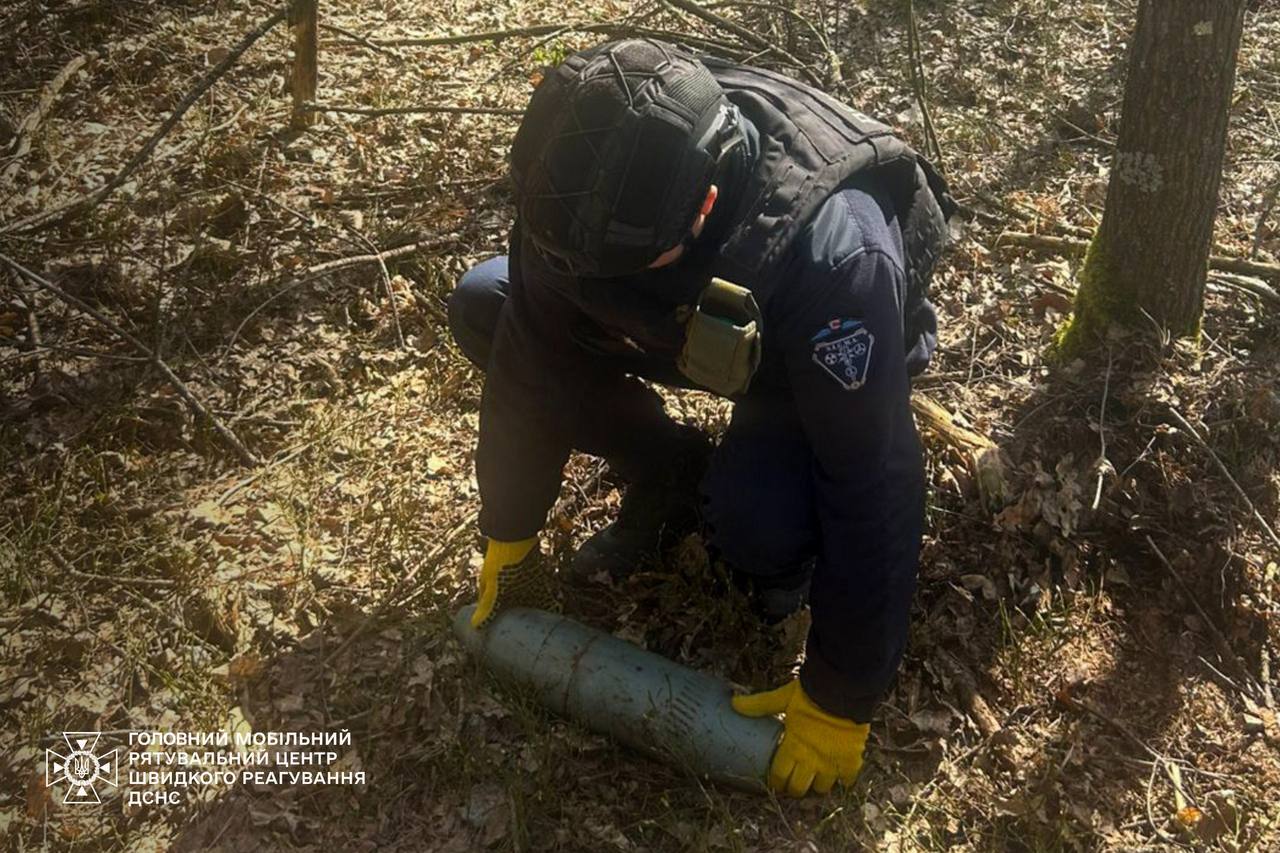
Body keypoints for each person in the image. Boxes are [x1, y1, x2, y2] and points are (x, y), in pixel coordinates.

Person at [447, 39, 953, 798]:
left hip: (797, 351)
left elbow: (872, 475)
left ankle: (776, 559)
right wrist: (509, 526)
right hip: (680, 318)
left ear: (706, 205)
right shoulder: (577, 180)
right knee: (490, 303)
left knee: (755, 520)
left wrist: (843, 693)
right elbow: (530, 359)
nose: (581, 279)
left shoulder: (838, 261)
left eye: (611, 268)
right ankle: (669, 465)